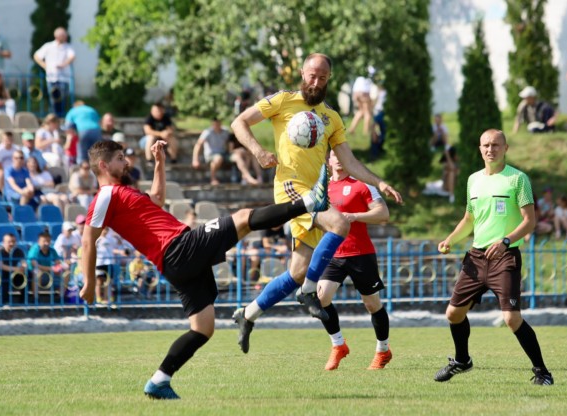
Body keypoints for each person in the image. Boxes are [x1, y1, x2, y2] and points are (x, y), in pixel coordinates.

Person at [79, 139, 330, 399]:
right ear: (103, 165)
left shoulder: (123, 192)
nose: (126, 162)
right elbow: (87, 241)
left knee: (203, 328)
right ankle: (309, 202)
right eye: (120, 158)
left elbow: (157, 199)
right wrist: (89, 281)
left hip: (173, 263)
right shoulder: (106, 195)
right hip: (179, 248)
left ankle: (158, 381)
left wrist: (159, 163)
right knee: (243, 217)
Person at [230, 53, 402, 354]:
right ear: (301, 73)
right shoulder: (282, 101)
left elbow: (349, 161)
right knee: (339, 223)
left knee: (297, 271)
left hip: (316, 193)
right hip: (290, 188)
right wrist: (258, 151)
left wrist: (379, 183)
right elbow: (239, 122)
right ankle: (309, 292)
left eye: (322, 78)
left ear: (329, 79)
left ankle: (248, 314)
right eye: (311, 75)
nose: (316, 82)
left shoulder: (331, 117)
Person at [435, 129, 553, 385]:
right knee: (453, 313)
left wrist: (506, 241)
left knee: (511, 318)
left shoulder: (518, 179)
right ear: (480, 149)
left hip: (505, 256)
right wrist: (450, 240)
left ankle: (543, 372)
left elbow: (530, 221)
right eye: (486, 145)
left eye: (496, 145)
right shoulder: (473, 180)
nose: (491, 149)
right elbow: (469, 218)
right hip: (476, 257)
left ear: (505, 148)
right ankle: (462, 361)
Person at [318, 150, 392, 371]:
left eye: (342, 154)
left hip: (360, 254)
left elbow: (383, 214)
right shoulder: (322, 188)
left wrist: (355, 216)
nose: (339, 159)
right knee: (321, 297)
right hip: (333, 254)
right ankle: (338, 345)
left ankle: (383, 350)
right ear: (329, 161)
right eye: (334, 155)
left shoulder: (362, 184)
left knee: (372, 304)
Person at [33, 27, 75, 117]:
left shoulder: (67, 47)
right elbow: (37, 56)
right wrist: (44, 65)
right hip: (51, 77)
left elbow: (72, 56)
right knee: (53, 100)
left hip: (63, 78)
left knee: (63, 99)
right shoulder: (49, 46)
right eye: (63, 35)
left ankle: (61, 117)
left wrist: (63, 64)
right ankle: (55, 117)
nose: (65, 37)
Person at [192, 118, 237, 185]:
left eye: (218, 124)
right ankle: (213, 178)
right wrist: (195, 160)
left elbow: (230, 142)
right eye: (215, 124)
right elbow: (198, 144)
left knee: (238, 158)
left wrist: (231, 151)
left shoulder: (225, 131)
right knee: (218, 158)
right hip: (211, 155)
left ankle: (244, 177)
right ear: (212, 124)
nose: (217, 126)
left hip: (224, 154)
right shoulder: (207, 132)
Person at [27, 231, 64, 300]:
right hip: (34, 273)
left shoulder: (52, 250)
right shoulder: (34, 249)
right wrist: (50, 268)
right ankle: (36, 298)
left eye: (48, 241)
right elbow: (34, 264)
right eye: (44, 241)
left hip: (49, 273)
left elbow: (58, 262)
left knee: (65, 273)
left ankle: (60, 297)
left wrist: (59, 268)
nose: (46, 243)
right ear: (38, 241)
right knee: (37, 273)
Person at [0, 233, 27, 304]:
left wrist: (23, 267)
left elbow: (24, 263)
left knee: (26, 275)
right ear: (3, 242)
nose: (11, 244)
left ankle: (24, 299)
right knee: (3, 276)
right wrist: (15, 269)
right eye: (9, 242)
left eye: (13, 241)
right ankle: (4, 300)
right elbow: (1, 266)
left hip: (14, 273)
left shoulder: (18, 251)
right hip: (3, 272)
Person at [347, 66, 375, 136]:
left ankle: (352, 129)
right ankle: (366, 132)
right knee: (367, 112)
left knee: (361, 111)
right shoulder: (371, 69)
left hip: (356, 91)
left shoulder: (362, 67)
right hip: (364, 92)